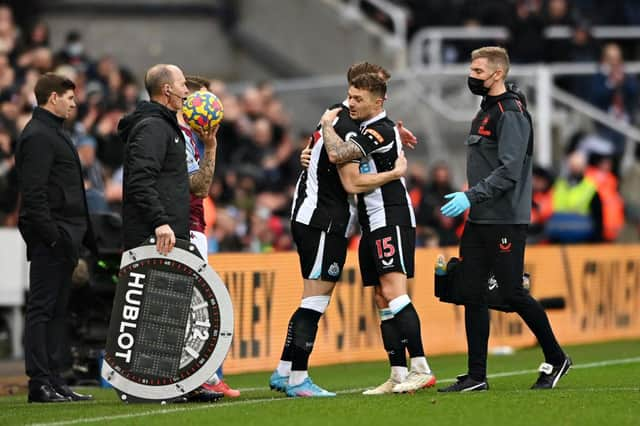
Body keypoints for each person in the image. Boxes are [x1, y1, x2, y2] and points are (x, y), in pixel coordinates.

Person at [269, 64, 409, 398]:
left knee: (310, 296)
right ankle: (299, 380)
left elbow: (316, 154)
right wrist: (395, 172)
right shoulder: (346, 126)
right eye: (353, 95)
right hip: (323, 221)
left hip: (311, 216)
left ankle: (285, 369)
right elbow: (350, 180)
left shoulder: (333, 115)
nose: (354, 101)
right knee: (315, 300)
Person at [437, 46, 571, 392]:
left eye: (478, 71)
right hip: (481, 217)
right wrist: (472, 200)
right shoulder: (487, 111)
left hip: (504, 218)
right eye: (472, 69)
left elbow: (510, 171)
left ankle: (557, 358)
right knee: (470, 293)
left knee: (511, 292)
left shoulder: (509, 113)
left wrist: (471, 195)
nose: (472, 76)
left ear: (498, 74)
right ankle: (476, 376)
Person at [319, 72, 435, 395]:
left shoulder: (380, 130)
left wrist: (327, 126)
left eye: (358, 99)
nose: (351, 103)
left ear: (378, 101)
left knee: (395, 291)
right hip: (370, 221)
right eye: (350, 96)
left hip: (391, 216)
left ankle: (421, 367)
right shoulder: (374, 128)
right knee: (381, 297)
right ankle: (397, 373)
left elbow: (338, 157)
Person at [118, 64, 219, 402]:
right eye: (180, 85)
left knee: (171, 311)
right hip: (154, 231)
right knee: (153, 311)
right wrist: (161, 221)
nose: (186, 91)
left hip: (171, 230)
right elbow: (139, 181)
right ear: (166, 91)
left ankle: (174, 383)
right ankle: (144, 386)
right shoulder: (152, 128)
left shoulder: (167, 127)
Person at [15, 73, 95, 403]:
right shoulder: (37, 136)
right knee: (43, 309)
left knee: (58, 311)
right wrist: (53, 238)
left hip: (65, 237)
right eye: (70, 97)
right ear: (53, 99)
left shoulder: (51, 133)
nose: (75, 103)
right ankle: (39, 382)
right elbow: (33, 196)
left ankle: (55, 378)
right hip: (54, 237)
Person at [179, 75, 240, 398]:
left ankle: (209, 375)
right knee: (201, 305)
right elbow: (200, 186)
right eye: (202, 100)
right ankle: (204, 375)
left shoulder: (190, 136)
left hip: (197, 224)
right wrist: (211, 146)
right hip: (184, 224)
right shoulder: (176, 134)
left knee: (202, 304)